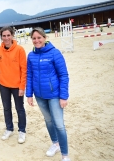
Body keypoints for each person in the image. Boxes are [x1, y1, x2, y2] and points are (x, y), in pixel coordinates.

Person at [26, 27, 71, 161]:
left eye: (39, 37)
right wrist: (29, 94)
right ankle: (55, 143)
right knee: (49, 121)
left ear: (45, 38)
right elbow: (29, 75)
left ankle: (65, 155)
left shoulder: (54, 53)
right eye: (34, 38)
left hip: (54, 95)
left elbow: (63, 75)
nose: (36, 40)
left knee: (59, 124)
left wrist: (64, 96)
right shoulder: (31, 55)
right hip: (39, 96)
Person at [0, 26, 27, 144]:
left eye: (8, 35)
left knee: (19, 109)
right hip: (4, 85)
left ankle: (22, 131)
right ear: (1, 37)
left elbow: (24, 70)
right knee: (6, 108)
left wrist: (22, 87)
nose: (6, 38)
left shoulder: (20, 50)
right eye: (4, 36)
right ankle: (9, 129)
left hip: (17, 86)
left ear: (12, 35)